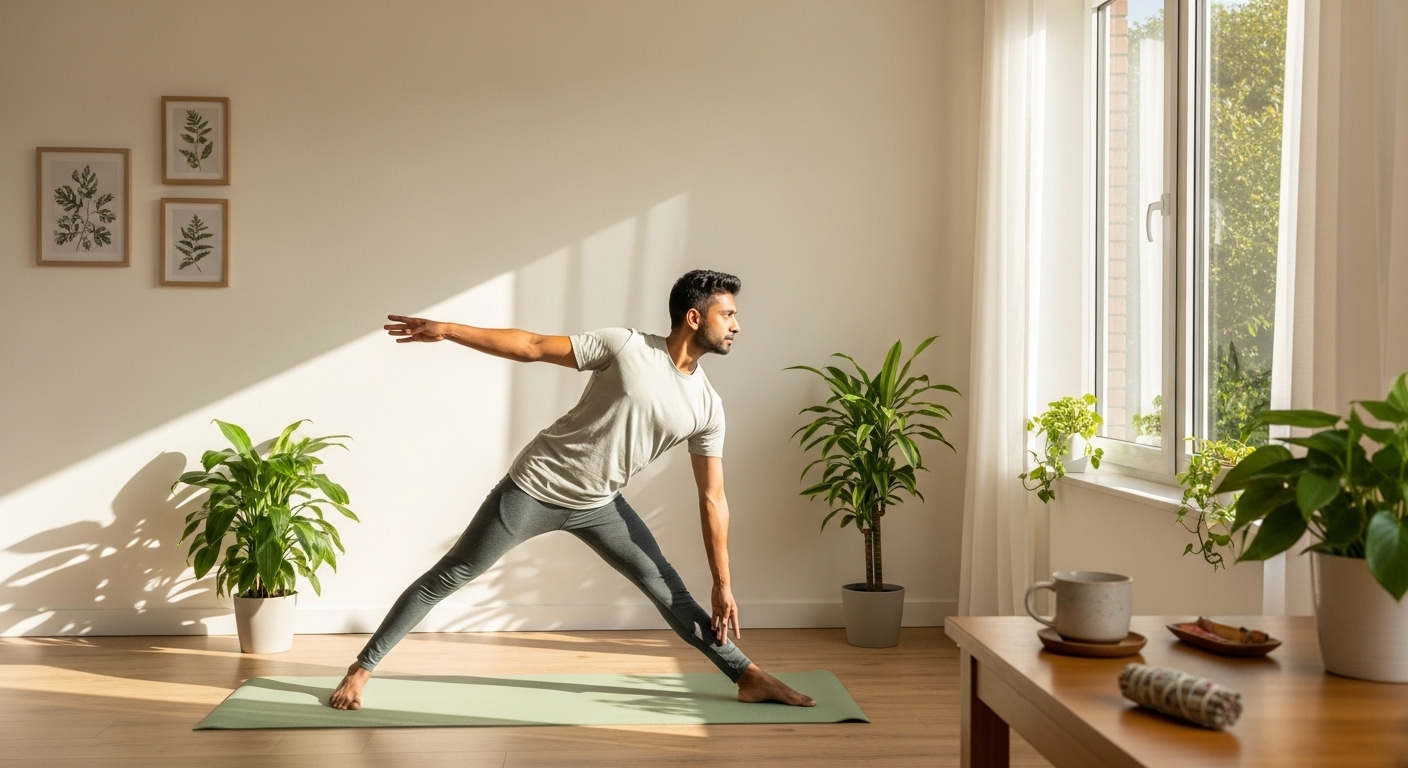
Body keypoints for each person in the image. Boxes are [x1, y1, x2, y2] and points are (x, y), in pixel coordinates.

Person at [330, 269, 816, 710]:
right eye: (728, 314)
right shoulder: (626, 347)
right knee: (453, 572)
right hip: (534, 487)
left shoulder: (707, 406)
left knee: (669, 591)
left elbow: (713, 498)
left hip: (600, 504)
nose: (736, 326)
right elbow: (533, 345)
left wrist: (723, 583)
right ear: (694, 317)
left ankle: (747, 676)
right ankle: (361, 669)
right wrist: (449, 330)